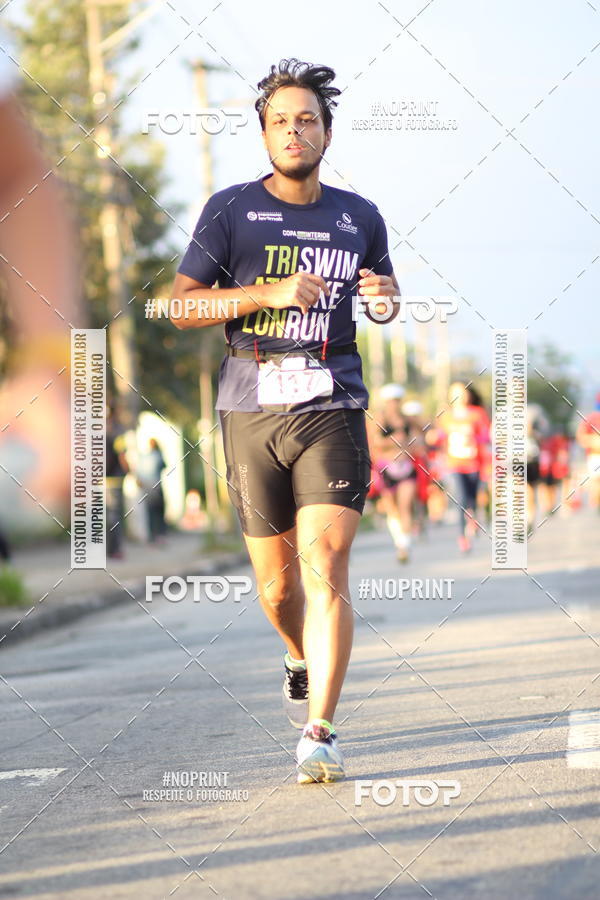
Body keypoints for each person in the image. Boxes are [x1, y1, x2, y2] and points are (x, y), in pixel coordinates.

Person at [169, 59, 399, 783]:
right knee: (276, 588)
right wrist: (263, 290)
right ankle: (297, 654)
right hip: (249, 408)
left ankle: (321, 730)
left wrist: (388, 298)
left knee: (325, 564)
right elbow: (181, 306)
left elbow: (382, 297)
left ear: (327, 132)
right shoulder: (230, 210)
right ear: (263, 133)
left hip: (332, 404)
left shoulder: (359, 216)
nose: (294, 130)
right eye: (280, 121)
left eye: (307, 119)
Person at [368, 385, 419, 562]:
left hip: (405, 466)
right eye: (391, 401)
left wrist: (411, 443)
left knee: (405, 505)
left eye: (397, 400)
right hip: (386, 467)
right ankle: (399, 539)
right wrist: (392, 440)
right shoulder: (380, 419)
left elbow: (416, 439)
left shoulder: (407, 420)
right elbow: (375, 442)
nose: (394, 404)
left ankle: (404, 545)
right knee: (392, 508)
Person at [439, 382, 490, 552]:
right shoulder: (446, 416)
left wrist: (473, 439)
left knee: (472, 497)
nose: (459, 396)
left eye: (462, 392)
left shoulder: (477, 414)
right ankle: (462, 537)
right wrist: (434, 437)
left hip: (474, 463)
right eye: (455, 392)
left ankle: (472, 518)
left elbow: (486, 436)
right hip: (454, 463)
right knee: (460, 498)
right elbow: (440, 436)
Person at [106, 407, 129, 559]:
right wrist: (129, 471)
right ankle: (115, 549)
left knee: (102, 515)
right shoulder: (117, 431)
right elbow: (121, 455)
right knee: (115, 516)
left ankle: (106, 549)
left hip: (98, 480)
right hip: (114, 479)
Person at [137, 438, 167, 543]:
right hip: (156, 487)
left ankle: (152, 536)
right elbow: (164, 465)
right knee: (159, 511)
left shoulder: (143, 457)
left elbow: (138, 473)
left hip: (146, 488)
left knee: (150, 512)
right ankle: (160, 534)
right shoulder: (158, 455)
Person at [576, 394, 600, 512]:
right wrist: (593, 441)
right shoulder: (591, 418)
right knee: (596, 481)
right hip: (595, 455)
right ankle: (597, 505)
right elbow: (580, 436)